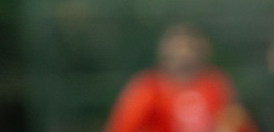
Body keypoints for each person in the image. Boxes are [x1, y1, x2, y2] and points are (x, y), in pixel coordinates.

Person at [104, 24, 255, 132]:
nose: (183, 54)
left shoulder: (216, 84)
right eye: (177, 48)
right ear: (164, 53)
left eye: (189, 48)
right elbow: (122, 126)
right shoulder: (147, 87)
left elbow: (236, 122)